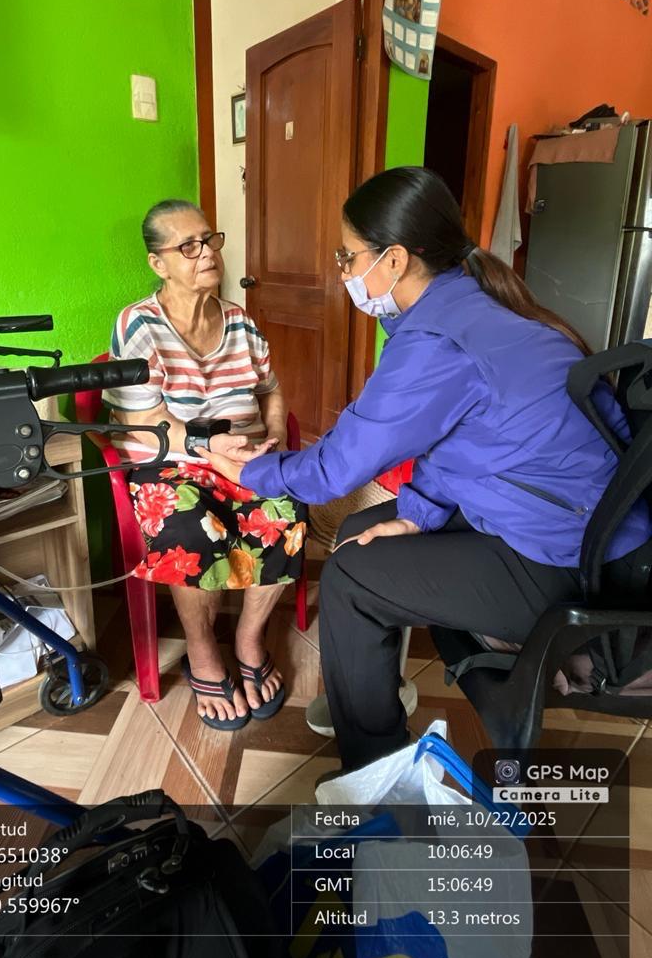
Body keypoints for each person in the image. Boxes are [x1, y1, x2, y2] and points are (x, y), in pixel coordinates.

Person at [201, 167, 652, 772]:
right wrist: (415, 515)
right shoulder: (474, 305)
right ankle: (367, 693)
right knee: (365, 533)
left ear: (393, 260)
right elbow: (462, 443)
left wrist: (249, 472)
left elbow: (334, 470)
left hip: (571, 562)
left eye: (347, 256)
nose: (342, 271)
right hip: (573, 523)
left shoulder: (438, 341)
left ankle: (375, 768)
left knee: (350, 578)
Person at [104, 199, 307, 732]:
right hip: (172, 462)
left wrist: (275, 437)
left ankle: (249, 638)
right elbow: (145, 420)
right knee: (191, 528)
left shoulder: (240, 321)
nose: (207, 254)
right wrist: (213, 451)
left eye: (209, 240)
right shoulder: (139, 324)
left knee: (287, 508)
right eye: (188, 247)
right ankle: (201, 649)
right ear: (158, 263)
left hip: (245, 454)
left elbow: (271, 390)